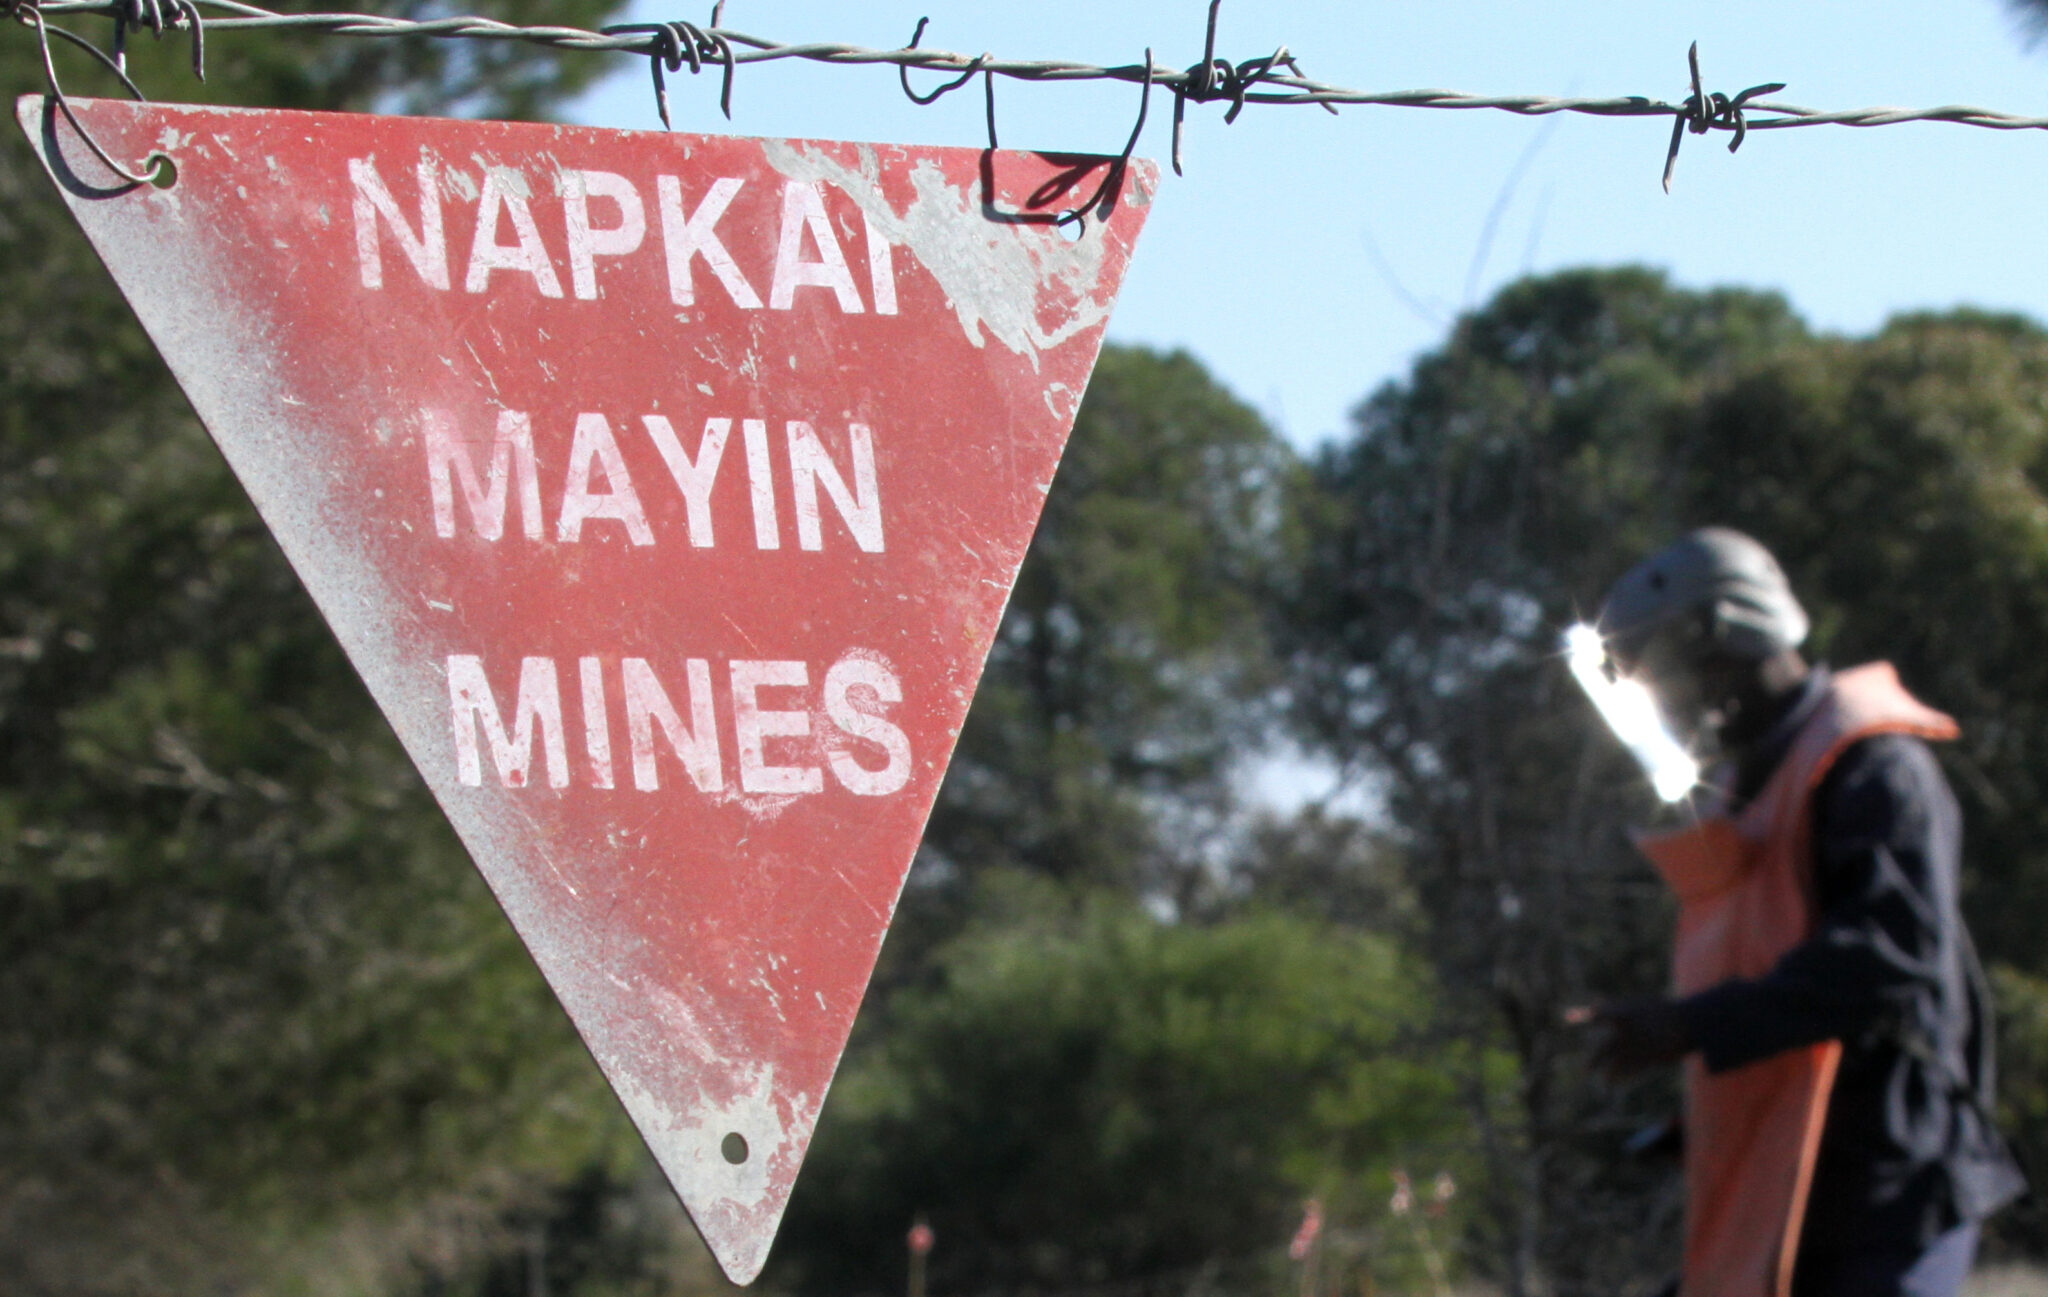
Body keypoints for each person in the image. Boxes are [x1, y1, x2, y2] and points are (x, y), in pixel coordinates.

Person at [1575, 528, 2025, 1297]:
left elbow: (1890, 957)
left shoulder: (1873, 767)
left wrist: (1690, 1025)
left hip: (1891, 1186)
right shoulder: (1753, 787)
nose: (1669, 704)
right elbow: (1766, 962)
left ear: (1721, 644)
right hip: (1792, 1186)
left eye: (1665, 677)